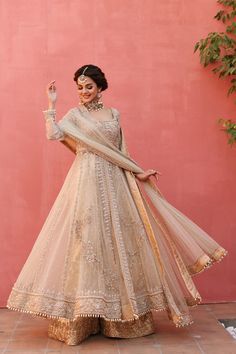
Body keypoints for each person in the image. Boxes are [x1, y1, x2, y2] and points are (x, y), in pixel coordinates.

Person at [7, 64, 227, 346]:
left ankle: (122, 319)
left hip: (116, 182)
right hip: (85, 182)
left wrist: (139, 171)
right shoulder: (74, 115)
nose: (84, 92)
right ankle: (82, 318)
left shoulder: (114, 114)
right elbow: (54, 135)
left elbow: (121, 152)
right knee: (87, 244)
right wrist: (51, 105)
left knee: (118, 242)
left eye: (89, 86)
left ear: (100, 87)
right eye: (80, 87)